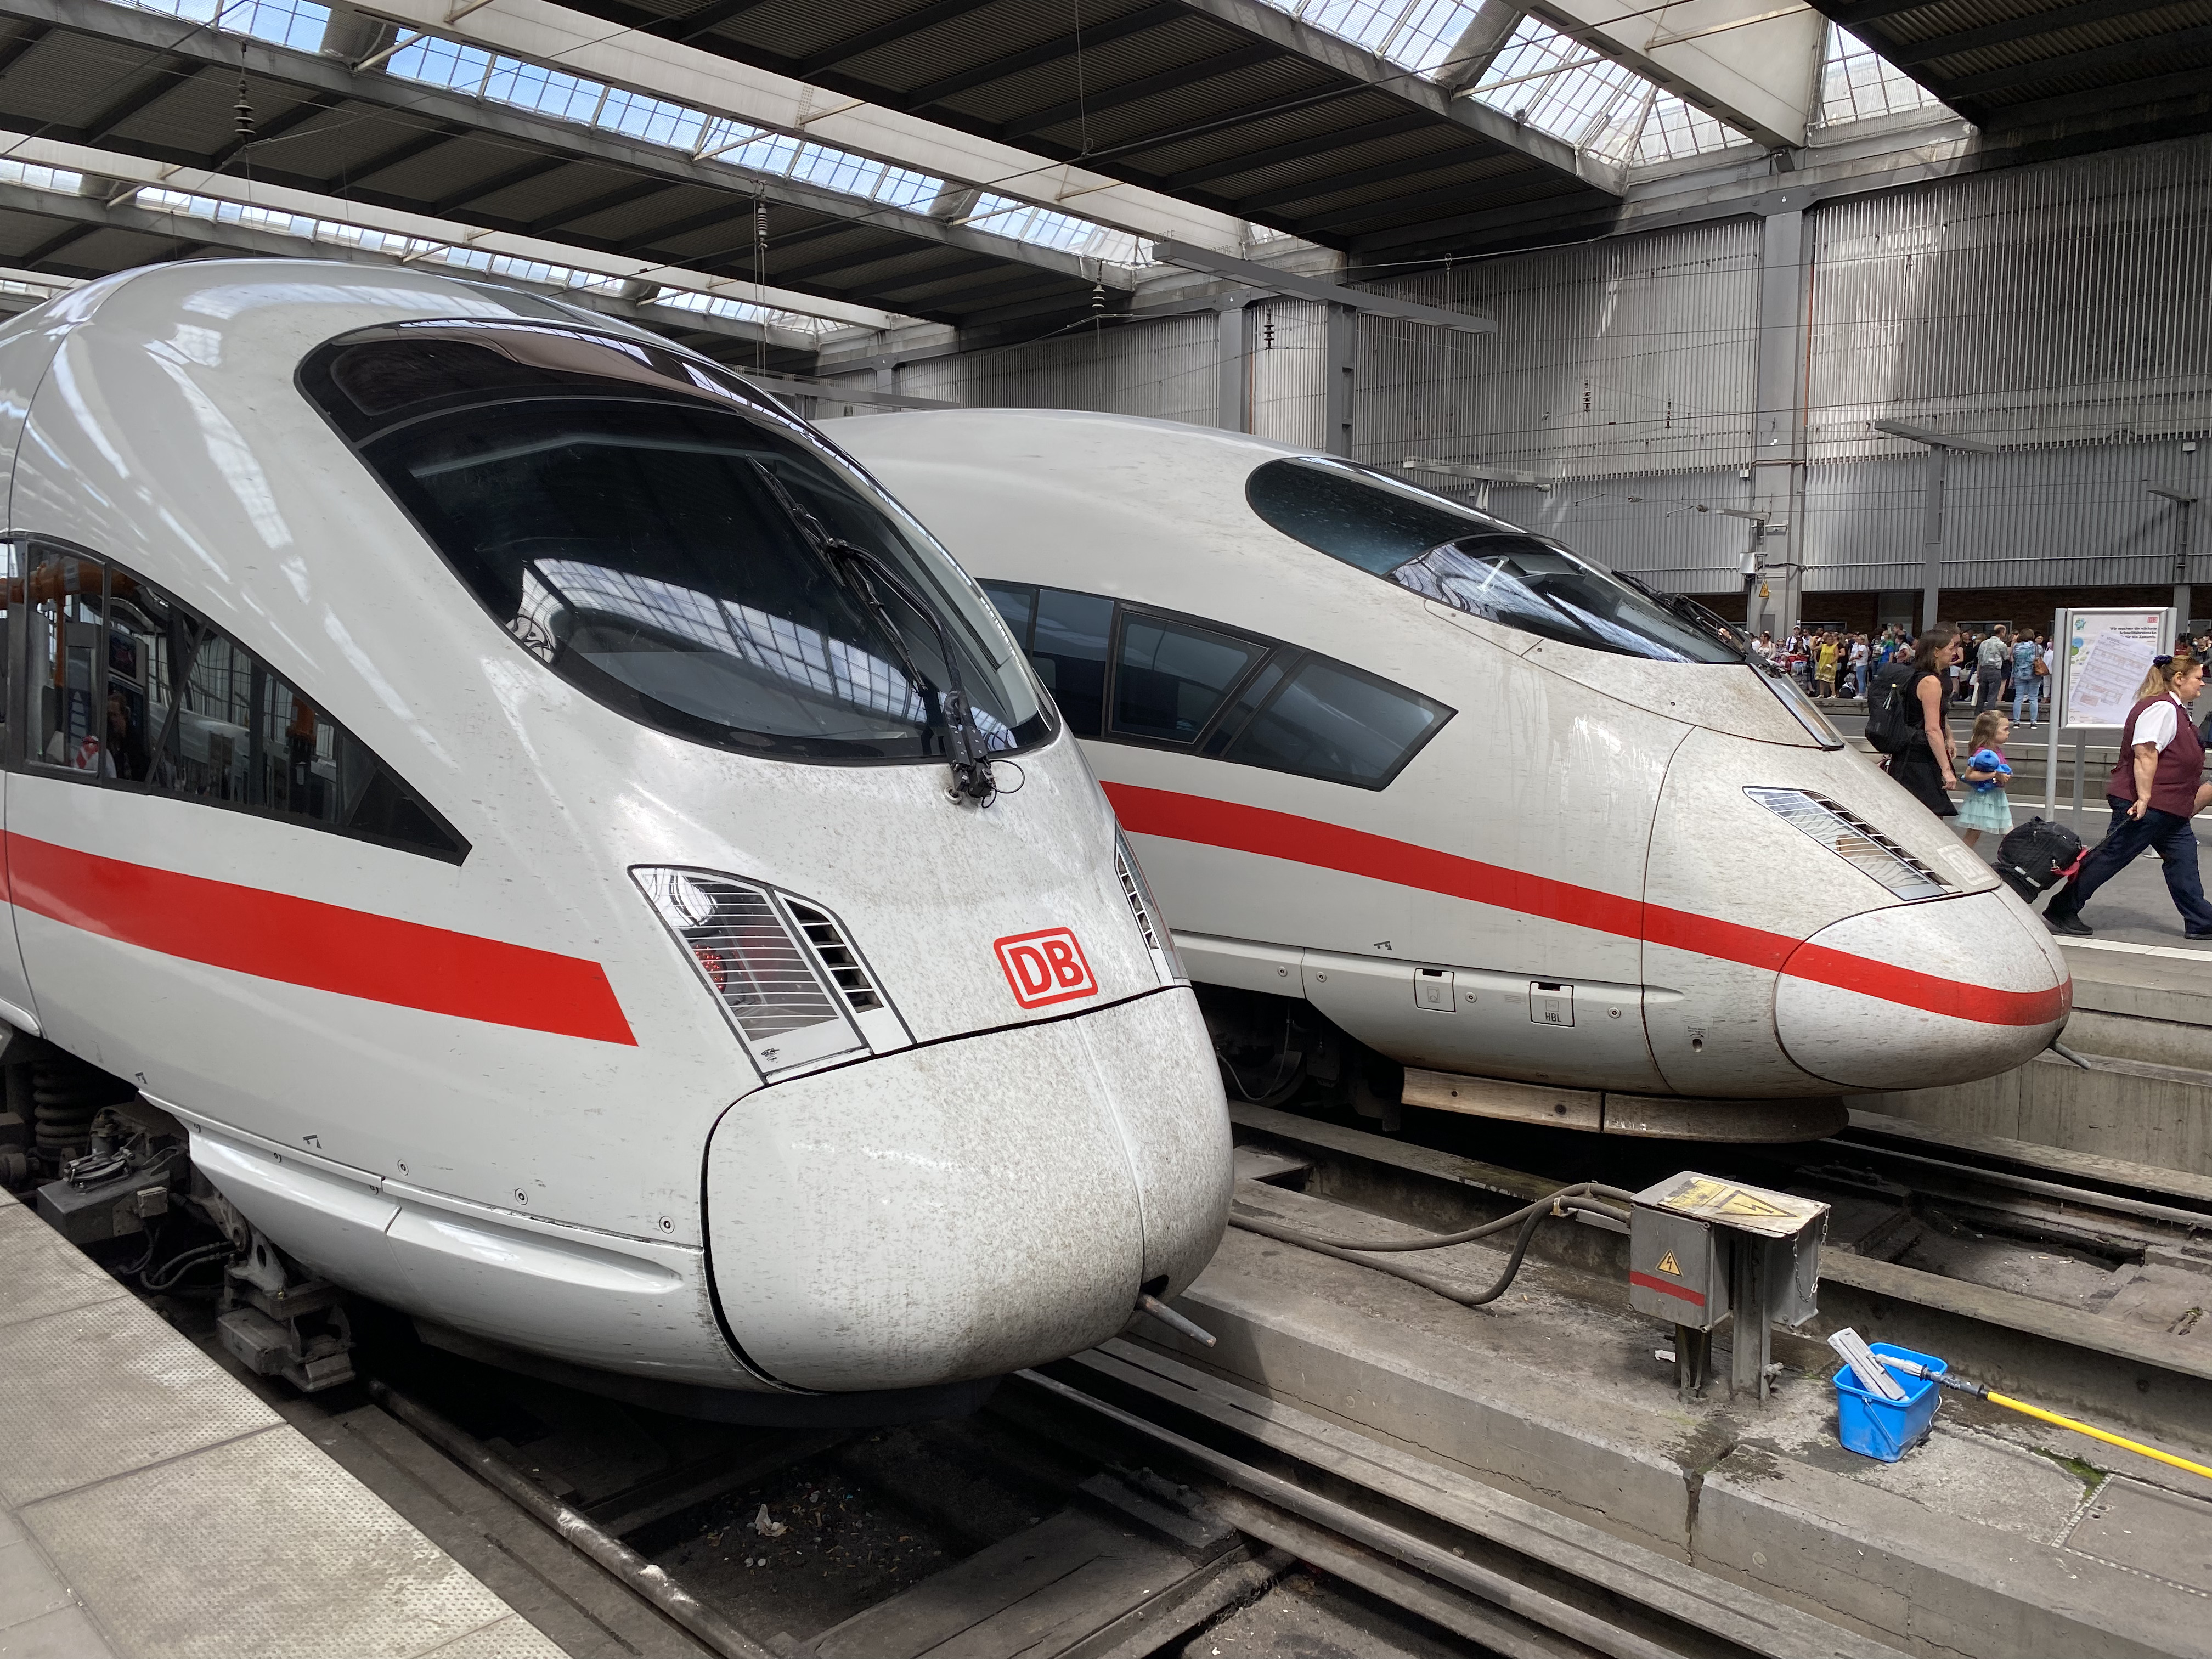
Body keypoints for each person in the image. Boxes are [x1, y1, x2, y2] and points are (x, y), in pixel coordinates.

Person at [2043, 652, 2212, 939]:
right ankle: (2062, 907)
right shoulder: (2162, 708)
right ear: (2179, 679)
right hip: (2150, 804)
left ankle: (2201, 921)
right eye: (2198, 678)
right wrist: (2143, 798)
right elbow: (2145, 752)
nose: (2203, 683)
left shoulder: (2175, 708)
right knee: (2112, 856)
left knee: (2183, 861)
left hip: (2169, 807)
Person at [1886, 626, 1962, 820]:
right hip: (1920, 757)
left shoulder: (1915, 675)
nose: (1954, 653)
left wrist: (1949, 736)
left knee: (1914, 816)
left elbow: (1935, 717)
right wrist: (1946, 769)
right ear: (1936, 652)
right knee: (1928, 817)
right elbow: (1932, 728)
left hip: (1908, 753)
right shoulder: (1930, 682)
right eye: (1950, 648)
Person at [1955, 709, 2013, 851]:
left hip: (1996, 796)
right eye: (2005, 729)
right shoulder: (1983, 753)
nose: (2008, 733)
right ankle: (1959, 857)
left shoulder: (1995, 750)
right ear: (1991, 731)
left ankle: (2018, 858)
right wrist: (1995, 775)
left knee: (2008, 833)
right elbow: (1969, 775)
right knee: (1974, 835)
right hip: (1984, 798)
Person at [2012, 630, 2043, 725]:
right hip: (2034, 674)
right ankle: (2033, 721)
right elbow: (2041, 658)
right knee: (2033, 698)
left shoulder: (2016, 646)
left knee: (2018, 698)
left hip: (2019, 674)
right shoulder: (2038, 647)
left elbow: (2013, 659)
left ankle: (2017, 721)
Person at [1974, 627, 2008, 712]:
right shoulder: (2001, 644)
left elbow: (1979, 659)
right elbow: (2006, 657)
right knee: (1992, 695)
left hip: (1983, 670)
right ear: (2001, 632)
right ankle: (1990, 714)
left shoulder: (1984, 643)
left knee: (1981, 695)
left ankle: (1978, 714)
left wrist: (1978, 675)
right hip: (1994, 670)